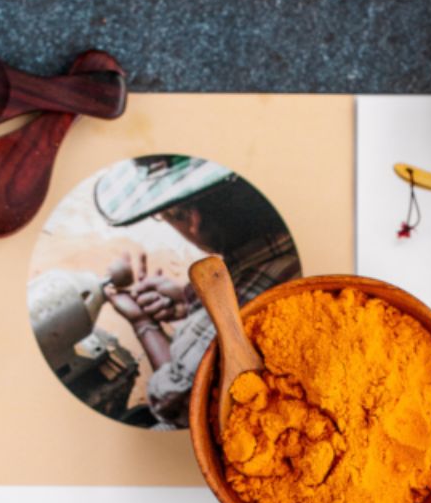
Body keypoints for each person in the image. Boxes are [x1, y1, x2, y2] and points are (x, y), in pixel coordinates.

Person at [98, 157, 301, 428]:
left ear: (191, 219)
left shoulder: (242, 308)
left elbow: (176, 402)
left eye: (165, 216)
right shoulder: (290, 254)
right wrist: (191, 301)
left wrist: (142, 323)